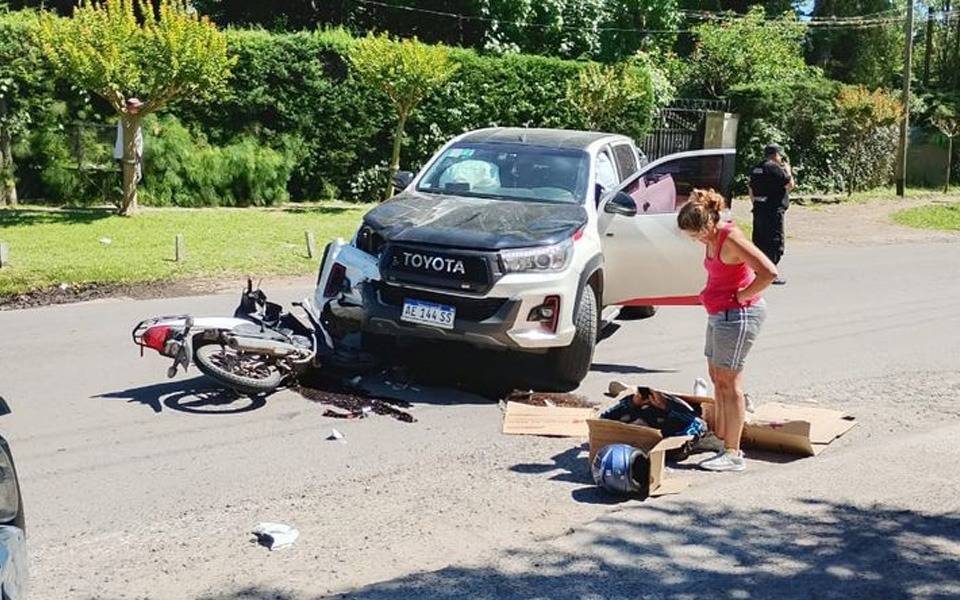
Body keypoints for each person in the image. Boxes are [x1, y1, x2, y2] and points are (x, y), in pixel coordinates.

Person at [677, 189, 778, 472]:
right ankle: (720, 438)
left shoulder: (730, 238)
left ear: (707, 225)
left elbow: (769, 272)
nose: (694, 240)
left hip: (737, 316)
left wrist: (742, 296)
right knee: (716, 377)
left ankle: (733, 453)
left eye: (695, 235)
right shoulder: (711, 239)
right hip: (719, 314)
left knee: (729, 382)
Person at [748, 143, 794, 285]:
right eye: (780, 156)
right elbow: (790, 185)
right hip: (773, 210)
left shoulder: (756, 168)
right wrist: (788, 170)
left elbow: (750, 189)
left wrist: (756, 204)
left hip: (759, 209)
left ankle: (759, 270)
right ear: (776, 155)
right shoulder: (774, 168)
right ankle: (770, 273)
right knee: (774, 242)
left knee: (760, 240)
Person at [114, 97, 144, 183]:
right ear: (130, 108)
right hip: (127, 154)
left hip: (134, 153)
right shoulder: (126, 120)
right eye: (136, 107)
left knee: (135, 178)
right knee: (130, 179)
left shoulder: (134, 118)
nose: (138, 109)